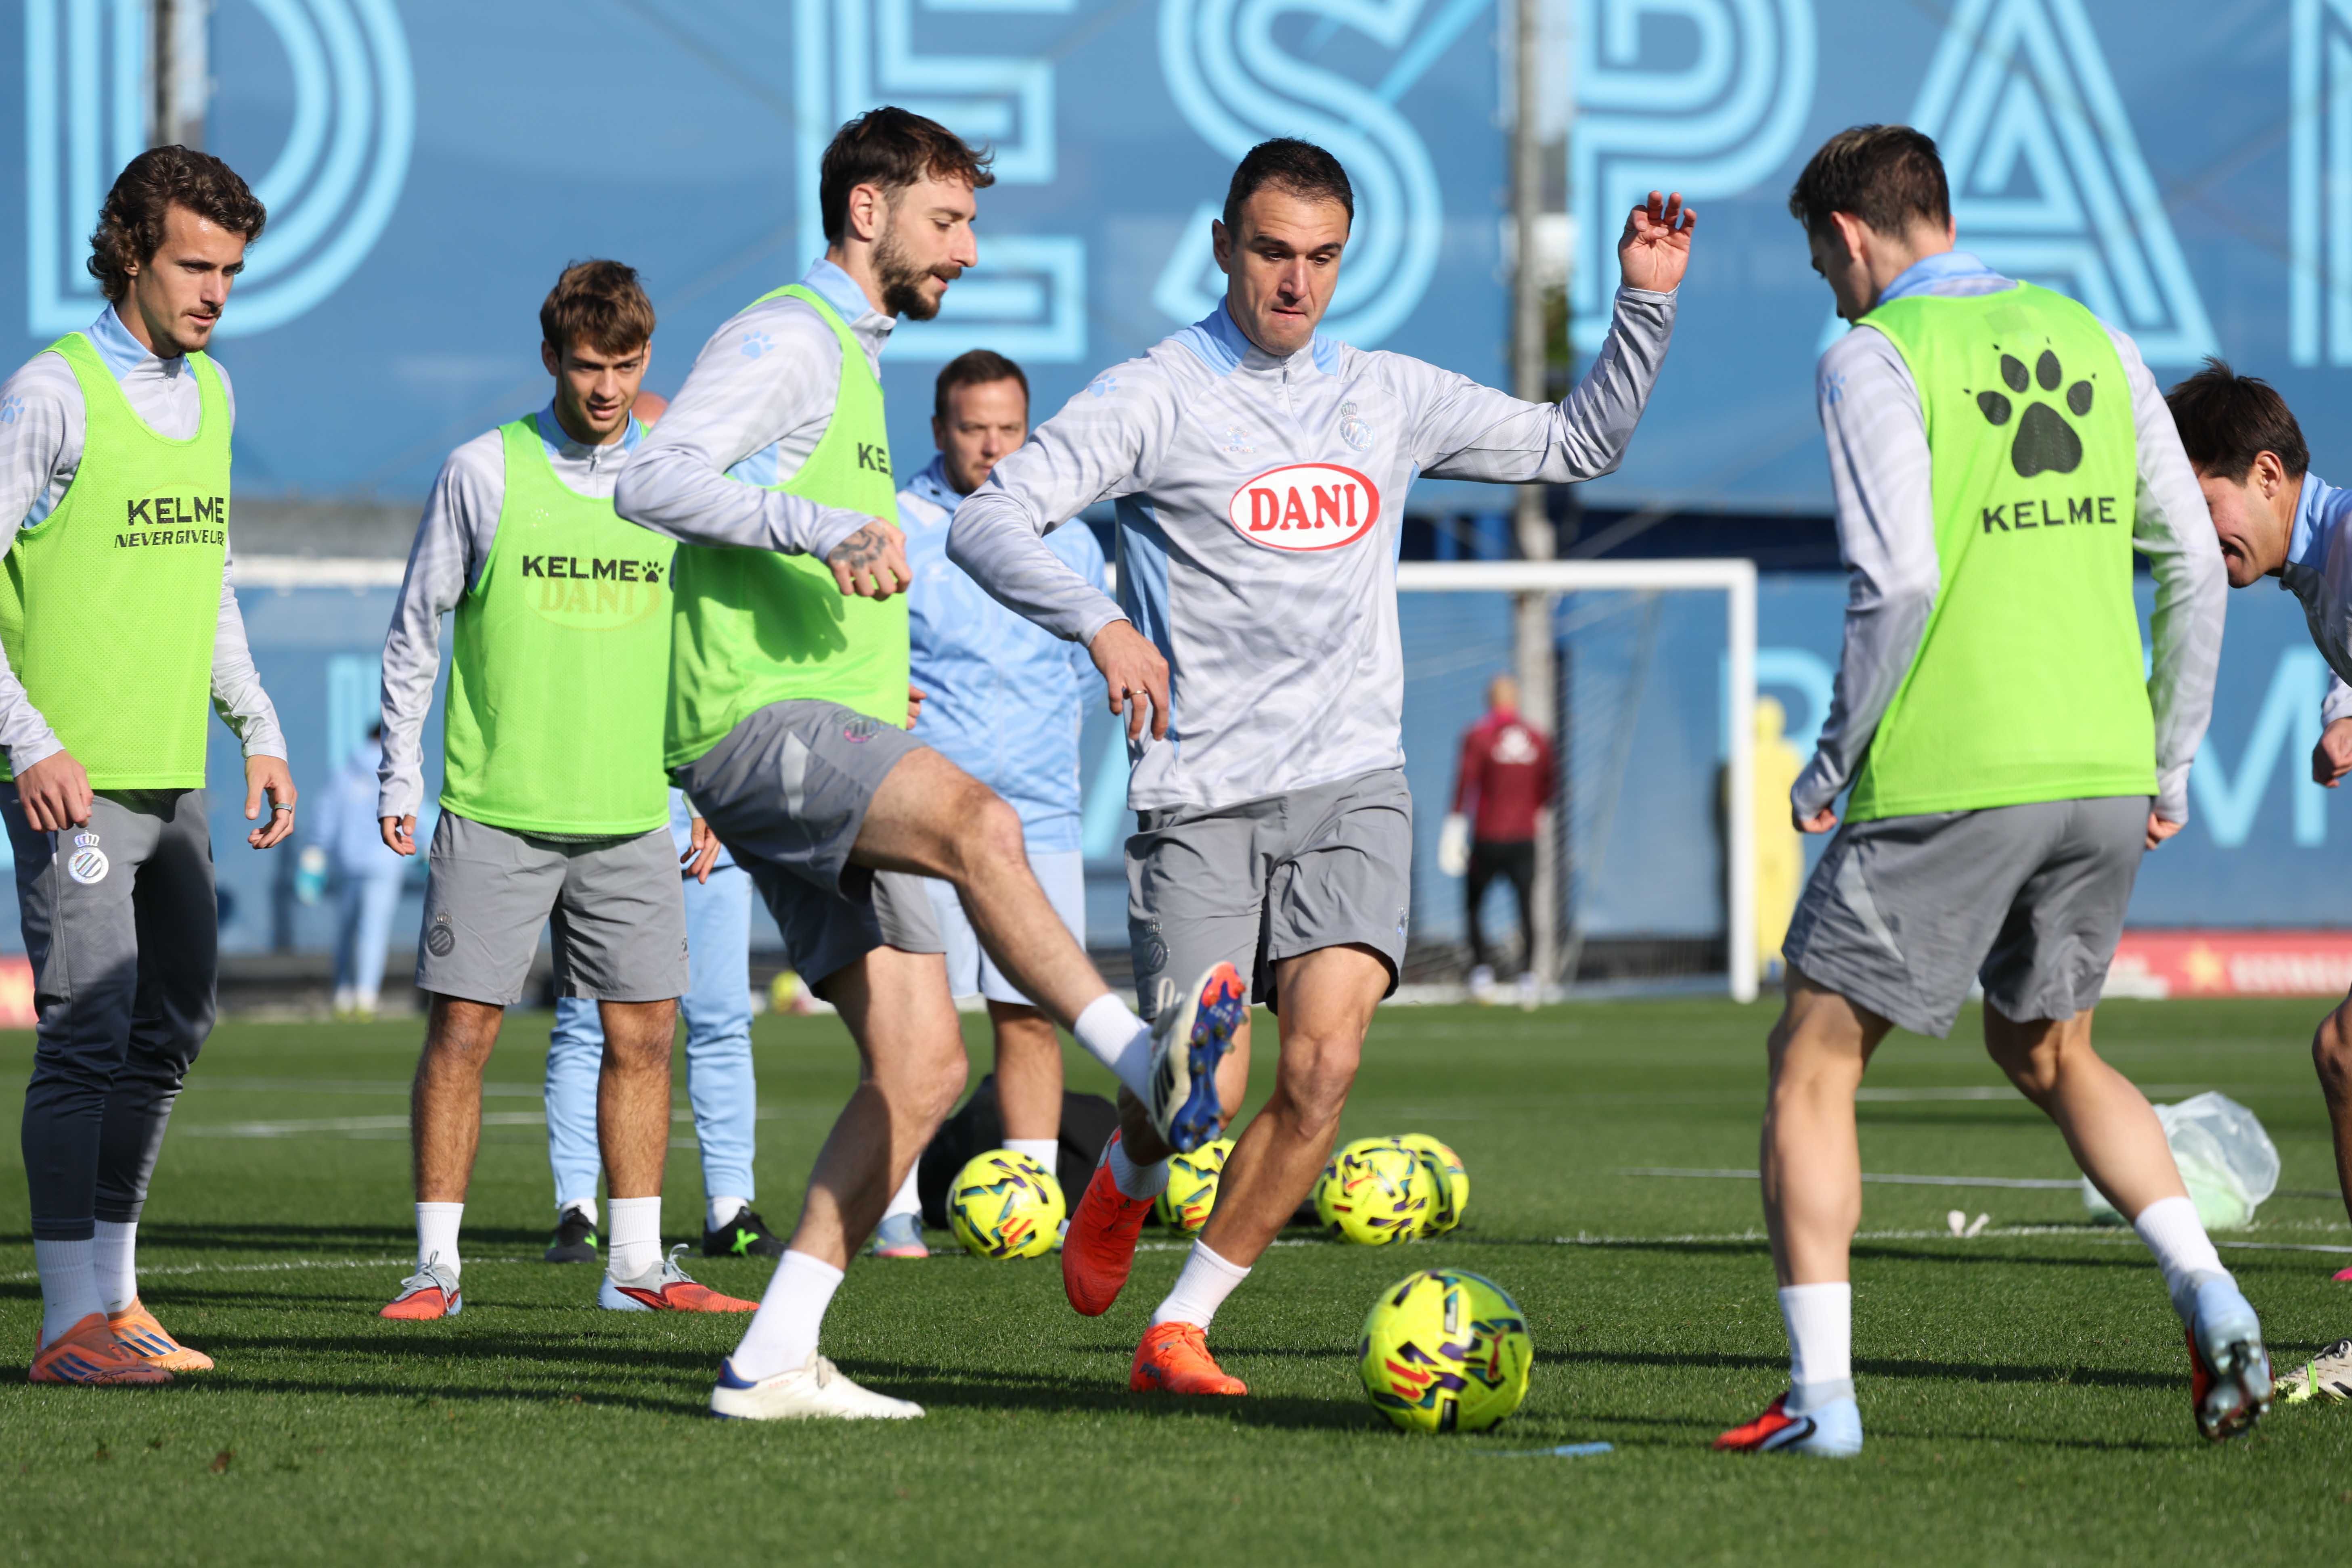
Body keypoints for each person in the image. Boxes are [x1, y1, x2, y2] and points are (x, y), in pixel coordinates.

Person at [949, 137, 1692, 1396]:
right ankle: (1128, 1170)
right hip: (1201, 797)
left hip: (1353, 783)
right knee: (1203, 1092)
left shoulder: (1386, 393)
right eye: (1272, 252)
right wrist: (1102, 620)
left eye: (1322, 258)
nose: (1295, 282)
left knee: (1325, 1066)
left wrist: (1643, 302)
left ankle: (1181, 1326)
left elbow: (1579, 443)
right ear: (1224, 247)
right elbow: (986, 518)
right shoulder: (1153, 396)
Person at [616, 107, 1229, 1421]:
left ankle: (770, 1355)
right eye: (945, 221)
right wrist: (818, 528)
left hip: (814, 730)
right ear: (866, 213)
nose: (965, 249)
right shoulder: (788, 338)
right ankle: (1136, 1058)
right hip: (752, 723)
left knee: (920, 1066)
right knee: (978, 819)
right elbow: (650, 479)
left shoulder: (851, 351)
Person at [1714, 125, 2253, 1457]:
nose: (1826, 287)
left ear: (1847, 237)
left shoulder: (1870, 354)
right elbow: (2189, 555)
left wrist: (1830, 760)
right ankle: (2211, 1289)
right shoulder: (2090, 334)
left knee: (1813, 1057)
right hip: (2097, 768)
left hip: (1957, 767)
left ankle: (1820, 1399)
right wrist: (2165, 755)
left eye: (1816, 260)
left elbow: (1894, 582)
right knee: (2048, 1049)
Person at [376, 260, 750, 1321]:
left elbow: (700, 647)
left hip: (635, 811)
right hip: (495, 808)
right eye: (587, 366)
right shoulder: (482, 470)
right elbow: (417, 627)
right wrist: (400, 770)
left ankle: (637, 1264)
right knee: (463, 1036)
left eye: (625, 365)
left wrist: (706, 777)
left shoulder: (677, 482)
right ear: (550, 359)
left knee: (646, 1036)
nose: (606, 388)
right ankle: (435, 1267)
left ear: (645, 360)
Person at [0, 147, 295, 1384]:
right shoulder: (51, 394)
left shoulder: (213, 395)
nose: (216, 290)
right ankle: (67, 1320)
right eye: (194, 264)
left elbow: (207, 578)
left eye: (231, 268)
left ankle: (116, 1300)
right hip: (76, 778)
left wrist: (259, 723)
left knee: (172, 1021)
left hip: (175, 772)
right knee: (87, 1029)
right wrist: (28, 740)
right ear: (132, 250)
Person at [869, 348, 1107, 1258]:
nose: (994, 446)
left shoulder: (1068, 533)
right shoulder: (892, 524)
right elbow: (862, 655)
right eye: (974, 428)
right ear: (939, 430)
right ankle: (889, 1207)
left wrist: (1036, 740)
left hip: (1040, 816)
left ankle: (1032, 1200)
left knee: (1030, 1010)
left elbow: (1084, 672)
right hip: (921, 817)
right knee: (909, 1014)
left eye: (1010, 428)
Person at [2161, 359, 2352, 1287]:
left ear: (2268, 476)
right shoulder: (2323, 563)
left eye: (2204, 509)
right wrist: (2338, 714)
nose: (2194, 542)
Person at [541, 789, 781, 1264]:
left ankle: (729, 1210)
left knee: (722, 1025)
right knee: (585, 1028)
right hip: (604, 835)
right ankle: (577, 1212)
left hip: (714, 844)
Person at [1445, 675, 1555, 1004]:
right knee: (1526, 906)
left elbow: (1465, 782)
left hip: (1488, 835)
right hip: (1525, 836)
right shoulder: (1537, 738)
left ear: (1489, 700)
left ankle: (1481, 974)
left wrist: (1454, 824)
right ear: (1516, 700)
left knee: (1474, 905)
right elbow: (1550, 787)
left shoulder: (1478, 735)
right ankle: (1529, 978)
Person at [311, 723, 408, 1017]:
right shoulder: (400, 774)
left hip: (347, 863)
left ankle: (342, 994)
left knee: (345, 932)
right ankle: (366, 996)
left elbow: (325, 816)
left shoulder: (344, 775)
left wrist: (315, 852)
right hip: (386, 863)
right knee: (373, 932)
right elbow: (418, 817)